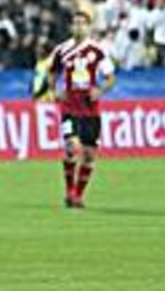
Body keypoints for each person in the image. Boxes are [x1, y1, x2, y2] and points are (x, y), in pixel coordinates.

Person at [47, 11, 115, 209]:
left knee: (89, 154)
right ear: (71, 27)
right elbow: (51, 73)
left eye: (82, 24)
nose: (78, 27)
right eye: (75, 23)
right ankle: (69, 191)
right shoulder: (62, 50)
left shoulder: (98, 50)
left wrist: (100, 90)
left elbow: (110, 78)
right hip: (70, 106)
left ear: (89, 27)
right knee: (72, 147)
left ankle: (78, 194)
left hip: (90, 109)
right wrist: (54, 91)